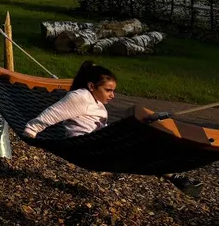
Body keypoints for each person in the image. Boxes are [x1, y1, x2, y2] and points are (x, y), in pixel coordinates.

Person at [24, 61, 201, 197]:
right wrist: (30, 132)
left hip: (98, 144)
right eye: (108, 90)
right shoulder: (80, 97)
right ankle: (178, 175)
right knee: (143, 141)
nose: (112, 95)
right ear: (92, 86)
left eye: (113, 91)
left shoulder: (96, 101)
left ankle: (177, 177)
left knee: (144, 146)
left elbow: (104, 122)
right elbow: (52, 114)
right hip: (84, 146)